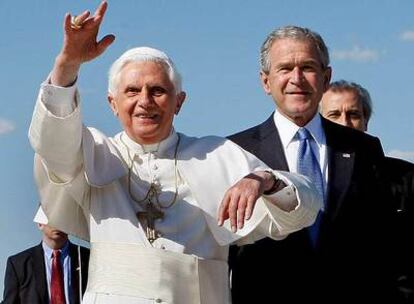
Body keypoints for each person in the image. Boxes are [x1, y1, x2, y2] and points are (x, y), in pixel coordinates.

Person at [28, 3, 321, 303]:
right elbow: (53, 144)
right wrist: (67, 64)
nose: (145, 101)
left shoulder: (215, 155)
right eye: (132, 91)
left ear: (178, 102)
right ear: (112, 103)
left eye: (157, 90)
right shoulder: (94, 153)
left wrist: (263, 179)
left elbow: (304, 207)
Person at [228, 26, 394, 303]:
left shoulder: (364, 149)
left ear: (326, 77)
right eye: (285, 68)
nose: (297, 79)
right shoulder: (234, 151)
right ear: (266, 82)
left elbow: (386, 242)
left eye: (307, 67)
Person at [320, 80, 414, 303]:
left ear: (366, 121)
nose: (345, 123)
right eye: (334, 114)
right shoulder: (309, 177)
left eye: (353, 114)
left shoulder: (404, 177)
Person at [2, 206, 89, 304]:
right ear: (40, 223)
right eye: (51, 217)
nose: (57, 223)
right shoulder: (18, 264)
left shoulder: (89, 258)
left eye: (62, 217)